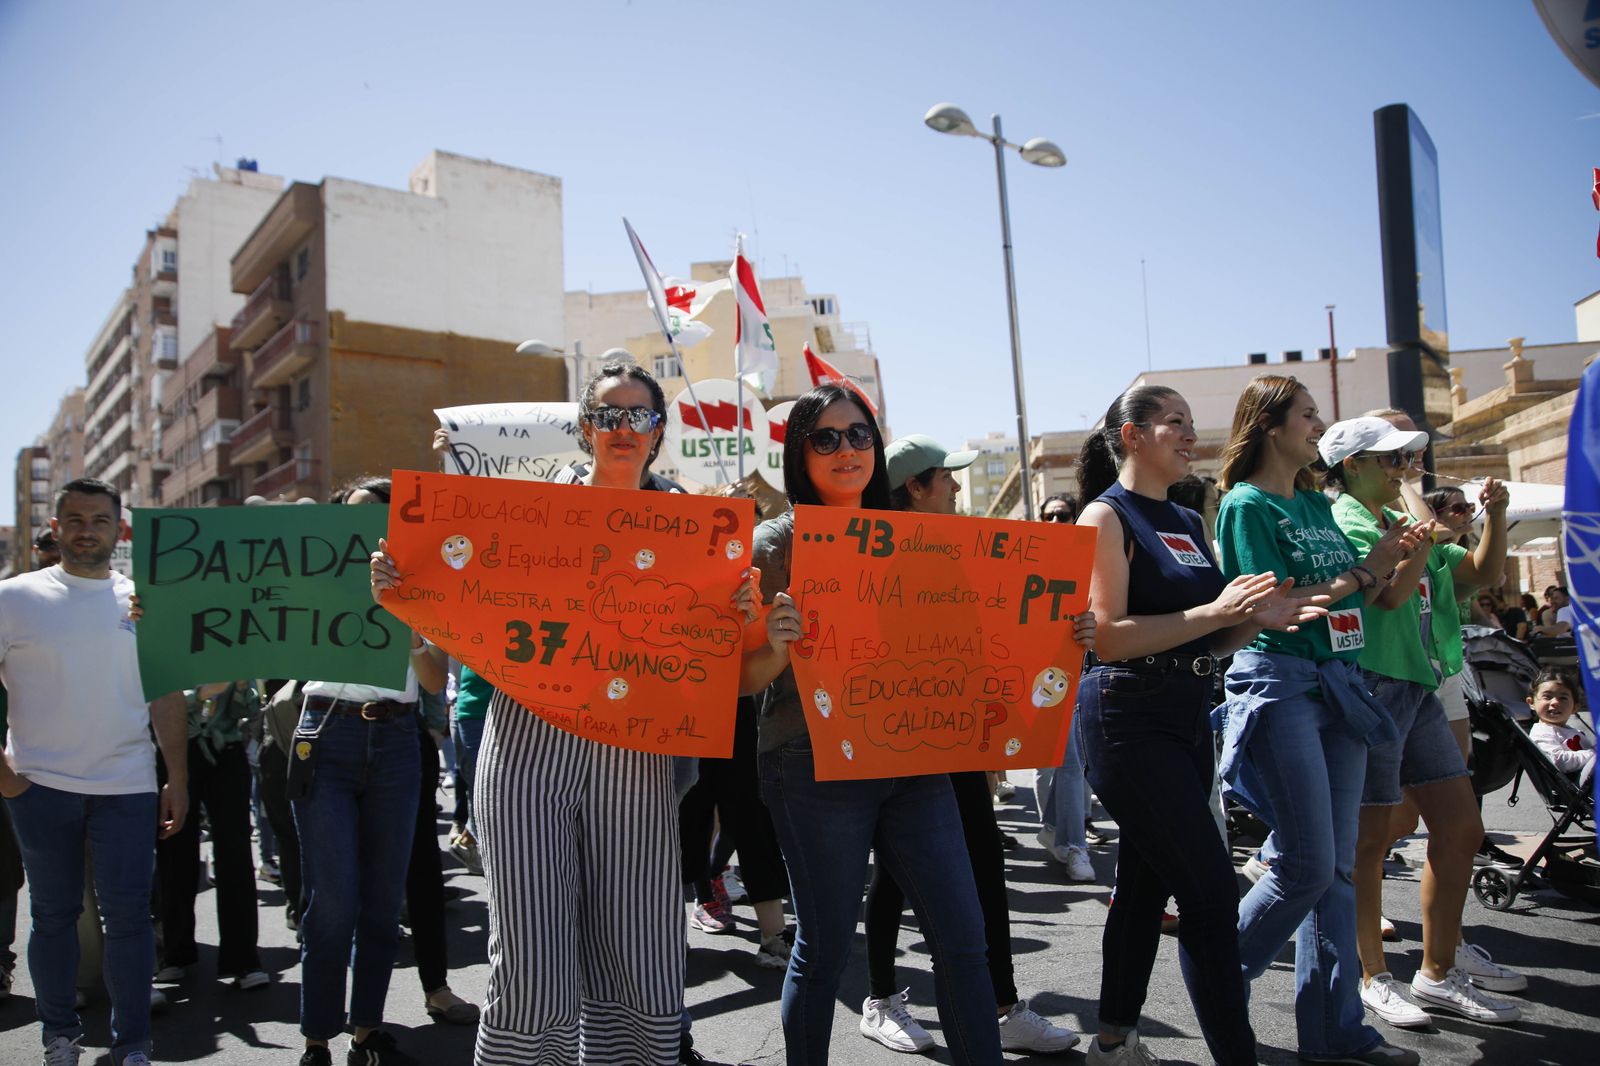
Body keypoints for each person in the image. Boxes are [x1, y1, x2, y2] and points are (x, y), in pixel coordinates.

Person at [389, 362, 756, 1066]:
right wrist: (407, 587)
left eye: (638, 415)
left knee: (637, 945)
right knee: (530, 953)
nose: (623, 428)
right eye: (608, 415)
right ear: (587, 428)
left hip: (636, 758)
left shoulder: (695, 526)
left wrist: (738, 610)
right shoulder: (527, 509)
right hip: (529, 749)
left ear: (657, 430)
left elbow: (715, 652)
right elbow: (455, 602)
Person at [742, 386, 1094, 1065]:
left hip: (915, 756)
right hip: (812, 764)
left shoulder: (920, 537)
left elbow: (981, 630)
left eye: (859, 435)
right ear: (799, 454)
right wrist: (778, 648)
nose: (847, 449)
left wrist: (1061, 628)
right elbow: (741, 680)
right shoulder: (775, 544)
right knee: (823, 949)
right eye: (826, 438)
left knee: (964, 941)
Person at [1074, 385, 1329, 1066]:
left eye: (1191, 421)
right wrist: (1219, 613)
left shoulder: (1187, 518)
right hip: (1126, 715)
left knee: (1144, 885)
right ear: (1132, 435)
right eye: (1174, 422)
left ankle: (1111, 1042)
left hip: (1188, 713)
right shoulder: (1105, 516)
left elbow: (1209, 637)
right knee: (1211, 893)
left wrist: (1253, 619)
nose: (1191, 434)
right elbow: (1108, 637)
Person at [1212, 378, 1427, 1066]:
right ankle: (1217, 976)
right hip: (1282, 684)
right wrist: (1364, 573)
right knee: (1305, 865)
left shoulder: (1313, 502)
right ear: (1270, 426)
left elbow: (1361, 596)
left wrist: (1387, 561)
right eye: (1307, 415)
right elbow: (1271, 606)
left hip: (1342, 683)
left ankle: (1336, 1034)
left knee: (1335, 868)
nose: (1318, 425)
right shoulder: (1246, 505)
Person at [855, 434, 1080, 1056]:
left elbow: (1003, 624)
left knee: (983, 859)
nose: (956, 486)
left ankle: (1003, 1006)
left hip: (958, 737)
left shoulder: (962, 551)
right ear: (913, 489)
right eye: (945, 477)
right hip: (899, 738)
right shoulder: (871, 556)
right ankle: (881, 999)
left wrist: (1070, 625)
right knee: (894, 874)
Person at [1319, 416, 1523, 1028]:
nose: (1403, 468)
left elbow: (1480, 574)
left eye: (1404, 458)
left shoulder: (1394, 518)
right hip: (1374, 685)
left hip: (1417, 684)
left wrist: (1490, 517)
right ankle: (1372, 975)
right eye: (1390, 459)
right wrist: (1423, 540)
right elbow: (1389, 595)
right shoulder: (1346, 519)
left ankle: (1437, 973)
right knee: (1371, 840)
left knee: (1461, 827)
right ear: (1352, 466)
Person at [0, 476, 190, 1066]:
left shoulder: (144, 600)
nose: (87, 531)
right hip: (39, 787)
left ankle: (133, 1045)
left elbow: (166, 694)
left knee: (130, 919)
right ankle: (59, 1036)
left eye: (100, 520)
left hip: (128, 787)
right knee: (53, 916)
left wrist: (177, 778)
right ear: (55, 528)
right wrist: (7, 778)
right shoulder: (13, 597)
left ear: (119, 529)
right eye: (76, 520)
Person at [296, 475, 447, 1066]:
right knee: (333, 899)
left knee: (383, 902)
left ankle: (365, 1030)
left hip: (396, 743)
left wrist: (407, 621)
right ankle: (316, 1039)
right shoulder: (316, 573)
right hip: (326, 734)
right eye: (353, 517)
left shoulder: (425, 584)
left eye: (378, 520)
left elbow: (433, 681)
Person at [153, 681, 269, 991]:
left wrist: (241, 687)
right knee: (174, 851)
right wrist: (200, 695)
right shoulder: (172, 653)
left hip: (227, 753)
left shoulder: (232, 650)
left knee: (236, 856)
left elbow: (249, 708)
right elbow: (157, 698)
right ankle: (175, 954)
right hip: (174, 751)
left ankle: (243, 960)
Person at [1526, 669, 1596, 785]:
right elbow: (1557, 761)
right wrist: (1593, 754)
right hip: (1576, 786)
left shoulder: (1572, 731)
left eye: (1563, 698)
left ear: (1574, 708)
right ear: (1531, 703)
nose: (1555, 702)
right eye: (1547, 697)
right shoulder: (1542, 732)